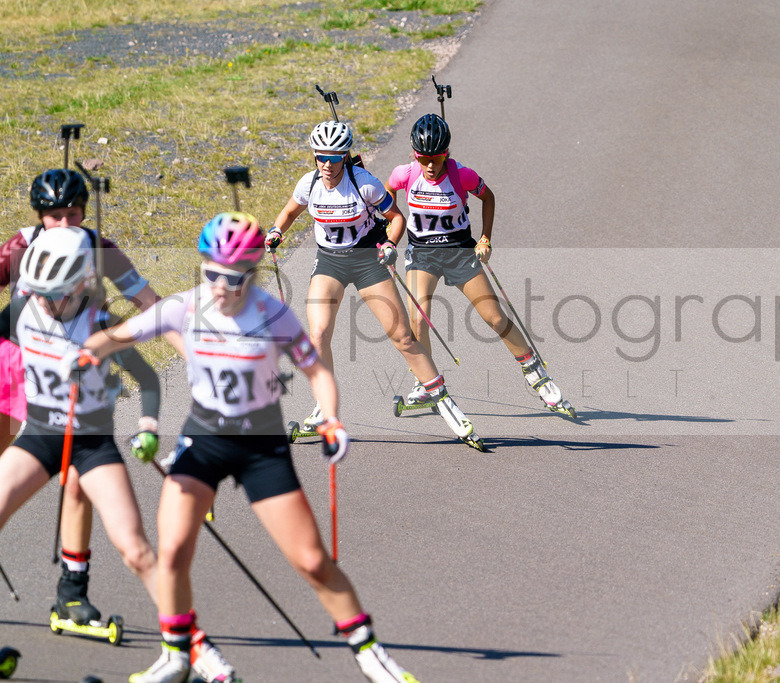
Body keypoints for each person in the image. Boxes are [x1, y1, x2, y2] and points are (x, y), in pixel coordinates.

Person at [69, 212, 419, 683]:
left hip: (261, 445)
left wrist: (332, 420)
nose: (219, 286)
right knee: (171, 552)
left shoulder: (272, 313)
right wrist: (88, 353)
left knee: (312, 561)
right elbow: (116, 337)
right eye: (210, 273)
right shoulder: (184, 307)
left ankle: (370, 654)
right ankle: (176, 656)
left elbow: (316, 371)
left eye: (232, 278)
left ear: (251, 274)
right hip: (204, 440)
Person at [0, 227, 232, 683]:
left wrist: (148, 425)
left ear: (81, 285)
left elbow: (147, 379)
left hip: (90, 443)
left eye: (57, 296)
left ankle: (196, 649)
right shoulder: (25, 307)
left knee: (135, 549)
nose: (47, 304)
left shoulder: (100, 324)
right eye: (40, 294)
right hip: (41, 437)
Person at [266, 120, 484, 450]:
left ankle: (444, 403)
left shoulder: (363, 183)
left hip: (368, 261)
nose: (327, 164)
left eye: (335, 157)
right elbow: (289, 212)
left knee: (401, 336)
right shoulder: (309, 184)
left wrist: (390, 244)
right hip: (330, 262)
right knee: (318, 333)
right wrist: (276, 231)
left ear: (345, 157)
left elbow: (396, 218)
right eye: (320, 157)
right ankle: (325, 409)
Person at [385, 113, 575, 418]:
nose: (431, 165)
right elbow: (387, 193)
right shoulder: (405, 174)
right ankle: (425, 383)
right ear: (414, 154)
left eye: (437, 157)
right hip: (422, 254)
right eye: (424, 158)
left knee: (495, 318)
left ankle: (537, 375)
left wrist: (485, 238)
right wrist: (393, 221)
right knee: (419, 320)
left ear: (447, 152)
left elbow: (488, 198)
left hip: (459, 250)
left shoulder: (462, 175)